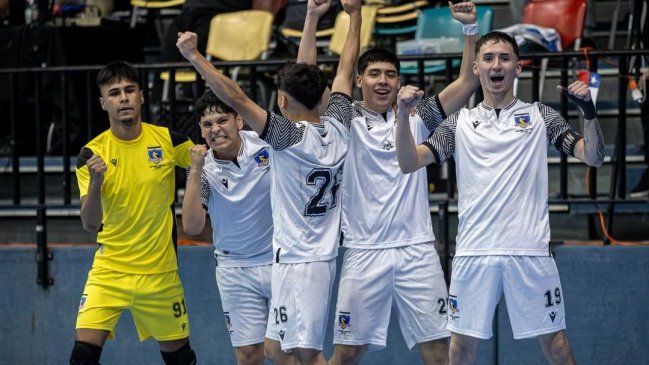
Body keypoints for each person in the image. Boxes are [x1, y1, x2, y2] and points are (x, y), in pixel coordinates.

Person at [395, 31, 605, 365]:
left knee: (558, 347)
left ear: (518, 67)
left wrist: (589, 114)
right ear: (476, 66)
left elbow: (592, 156)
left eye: (505, 58)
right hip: (474, 252)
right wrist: (403, 117)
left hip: (530, 251)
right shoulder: (459, 122)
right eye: (489, 58)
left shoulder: (540, 116)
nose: (497, 65)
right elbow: (408, 163)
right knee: (461, 350)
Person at [176, 0, 360, 363]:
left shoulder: (286, 138)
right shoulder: (340, 125)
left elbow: (236, 97)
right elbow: (345, 70)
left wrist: (197, 57)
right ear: (323, 97)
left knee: (302, 355)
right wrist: (353, 15)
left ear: (281, 101)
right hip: (308, 257)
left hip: (300, 261)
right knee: (276, 349)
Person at [296, 1, 479, 364]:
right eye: (375, 74)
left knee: (439, 351)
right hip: (365, 252)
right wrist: (317, 18)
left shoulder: (417, 116)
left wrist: (470, 30)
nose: (383, 81)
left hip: (417, 251)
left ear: (400, 80)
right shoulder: (343, 118)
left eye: (391, 74)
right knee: (347, 353)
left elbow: (468, 81)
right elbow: (305, 78)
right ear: (360, 80)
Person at [71, 61, 197, 365]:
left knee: (181, 360)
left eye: (129, 90)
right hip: (109, 271)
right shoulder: (91, 154)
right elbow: (90, 224)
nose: (123, 98)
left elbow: (204, 168)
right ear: (103, 103)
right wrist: (98, 180)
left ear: (141, 96)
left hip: (160, 274)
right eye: (114, 93)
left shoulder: (171, 142)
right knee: (82, 357)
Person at [181, 89, 290, 365]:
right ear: (201, 131)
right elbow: (192, 226)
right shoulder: (202, 169)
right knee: (248, 355)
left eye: (222, 120)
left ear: (239, 121)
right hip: (234, 269)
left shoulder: (266, 146)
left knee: (283, 351)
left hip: (280, 262)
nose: (215, 129)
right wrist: (194, 169)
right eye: (207, 124)